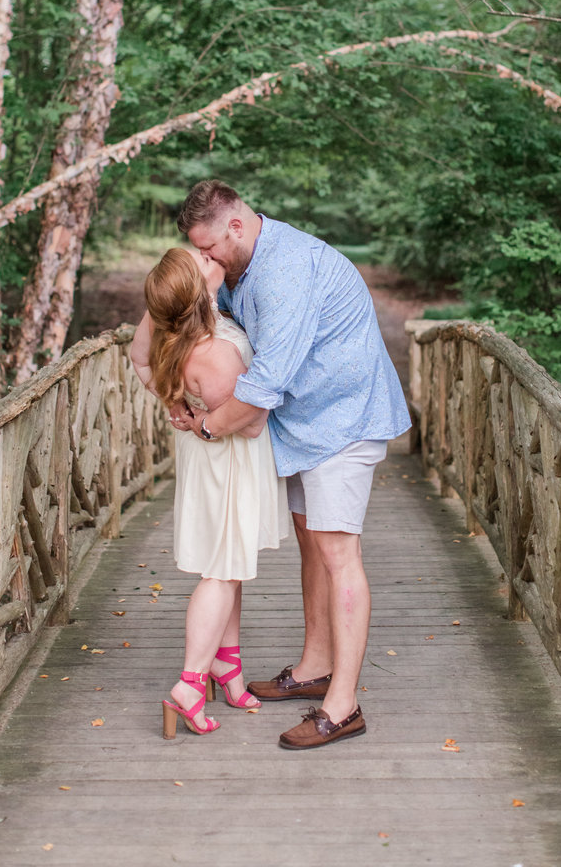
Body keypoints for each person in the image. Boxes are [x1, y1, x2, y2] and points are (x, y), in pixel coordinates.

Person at [174, 180, 411, 750]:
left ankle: (342, 704)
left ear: (236, 226)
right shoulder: (240, 268)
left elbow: (262, 386)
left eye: (208, 250)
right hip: (304, 425)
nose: (205, 260)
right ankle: (315, 667)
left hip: (343, 420)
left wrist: (206, 425)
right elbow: (206, 327)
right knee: (312, 542)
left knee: (338, 551)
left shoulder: (285, 270)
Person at [131, 246, 288, 739]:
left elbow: (139, 359)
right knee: (221, 572)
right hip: (227, 463)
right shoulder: (214, 352)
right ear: (198, 292)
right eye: (198, 263)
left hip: (204, 455)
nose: (206, 255)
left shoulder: (168, 327)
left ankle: (228, 665)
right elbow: (252, 423)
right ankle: (190, 684)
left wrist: (174, 400)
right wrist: (199, 416)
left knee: (231, 565)